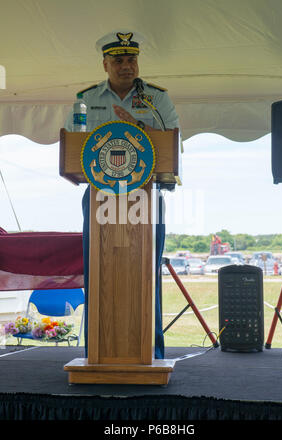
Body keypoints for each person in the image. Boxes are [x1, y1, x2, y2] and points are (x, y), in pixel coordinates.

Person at [65, 30, 180, 359]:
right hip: (101, 197)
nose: (126, 65)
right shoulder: (86, 99)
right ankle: (97, 353)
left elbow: (173, 138)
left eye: (132, 59)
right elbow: (74, 143)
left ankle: (151, 354)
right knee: (96, 273)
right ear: (105, 64)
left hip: (145, 196)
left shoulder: (157, 99)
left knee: (147, 273)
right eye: (118, 60)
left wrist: (140, 128)